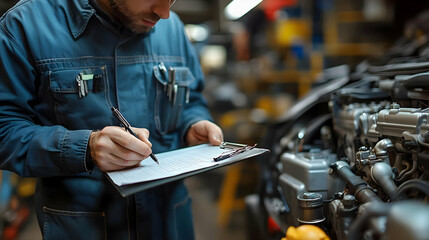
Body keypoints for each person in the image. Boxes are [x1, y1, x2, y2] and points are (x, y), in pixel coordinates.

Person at [0, 0, 224, 239]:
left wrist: (192, 122)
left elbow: (192, 99)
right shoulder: (26, 26)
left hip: (170, 222)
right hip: (83, 228)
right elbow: (5, 130)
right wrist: (85, 148)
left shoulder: (173, 30)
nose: (165, 13)